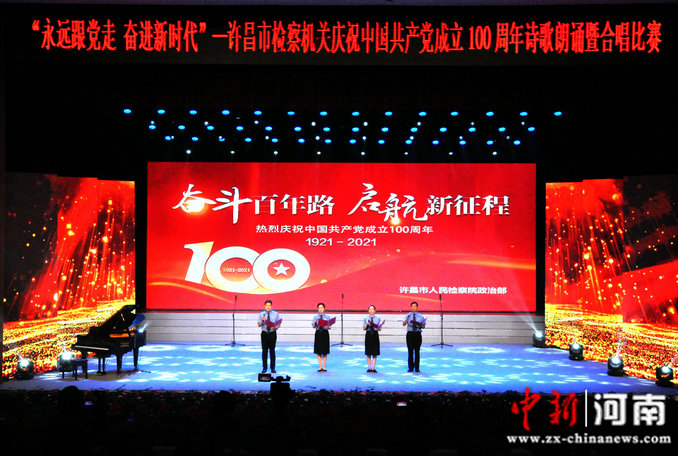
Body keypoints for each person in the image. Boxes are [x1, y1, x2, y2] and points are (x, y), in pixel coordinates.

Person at [257, 299, 281, 373]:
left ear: (271, 306)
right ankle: (264, 368)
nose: (268, 307)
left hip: (272, 334)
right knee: (264, 351)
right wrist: (262, 320)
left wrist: (276, 327)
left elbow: (279, 324)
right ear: (264, 306)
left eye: (269, 305)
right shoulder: (261, 314)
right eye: (267, 305)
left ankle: (272, 368)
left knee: (272, 351)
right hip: (264, 334)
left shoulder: (276, 314)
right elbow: (258, 325)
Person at [402, 301, 426, 372]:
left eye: (415, 306)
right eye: (412, 306)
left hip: (417, 334)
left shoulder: (421, 316)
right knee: (410, 351)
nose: (413, 307)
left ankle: (417, 367)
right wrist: (408, 317)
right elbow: (403, 324)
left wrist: (420, 325)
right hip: (410, 334)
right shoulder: (407, 315)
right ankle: (411, 367)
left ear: (417, 307)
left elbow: (423, 326)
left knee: (417, 351)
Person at [311, 303, 332, 372]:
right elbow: (313, 326)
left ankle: (324, 366)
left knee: (325, 350)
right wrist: (315, 323)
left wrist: (327, 326)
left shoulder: (327, 317)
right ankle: (320, 366)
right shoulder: (315, 317)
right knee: (318, 350)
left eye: (322, 307)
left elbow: (329, 327)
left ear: (324, 308)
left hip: (325, 333)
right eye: (319, 308)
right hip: (318, 333)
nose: (320, 309)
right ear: (317, 309)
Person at [363, 305, 382, 373]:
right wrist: (367, 324)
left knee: (375, 352)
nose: (371, 311)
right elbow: (364, 328)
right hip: (368, 334)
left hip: (375, 334)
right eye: (370, 309)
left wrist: (378, 327)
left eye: (372, 309)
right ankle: (369, 368)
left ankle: (373, 368)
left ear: (375, 310)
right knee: (368, 352)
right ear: (368, 310)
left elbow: (379, 328)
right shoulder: (365, 318)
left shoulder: (378, 318)